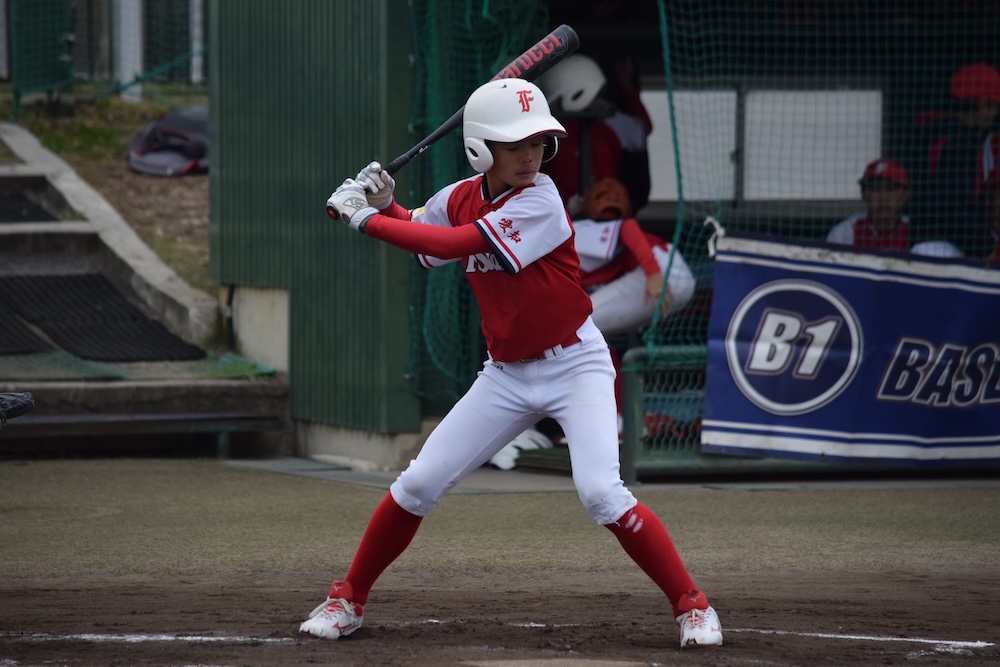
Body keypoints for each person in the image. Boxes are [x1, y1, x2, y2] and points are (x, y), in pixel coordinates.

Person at [303, 78, 724, 649]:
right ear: (481, 149)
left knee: (601, 493)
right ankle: (347, 598)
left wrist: (362, 219)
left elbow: (453, 246)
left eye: (537, 143)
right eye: (515, 145)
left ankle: (692, 605)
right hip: (505, 374)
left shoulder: (541, 200)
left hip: (576, 365)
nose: (530, 156)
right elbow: (427, 237)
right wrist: (386, 206)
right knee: (418, 482)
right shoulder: (457, 198)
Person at [487, 177, 695, 470]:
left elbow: (627, 227)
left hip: (662, 272)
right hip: (667, 272)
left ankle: (603, 420)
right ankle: (613, 418)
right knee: (589, 336)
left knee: (572, 330)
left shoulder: (574, 230)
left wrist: (653, 273)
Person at [536, 53, 653, 217]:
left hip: (606, 212)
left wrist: (628, 89)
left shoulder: (611, 123)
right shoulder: (547, 132)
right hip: (562, 215)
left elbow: (642, 128)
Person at [912, 62, 1000, 257]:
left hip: (933, 243)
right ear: (980, 104)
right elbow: (954, 208)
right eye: (993, 105)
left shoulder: (939, 131)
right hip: (942, 249)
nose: (994, 113)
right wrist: (986, 246)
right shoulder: (960, 141)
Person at [825, 158, 912, 252]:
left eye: (890, 189)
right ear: (863, 195)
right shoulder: (845, 232)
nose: (883, 198)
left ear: (905, 195)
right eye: (875, 189)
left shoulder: (914, 230)